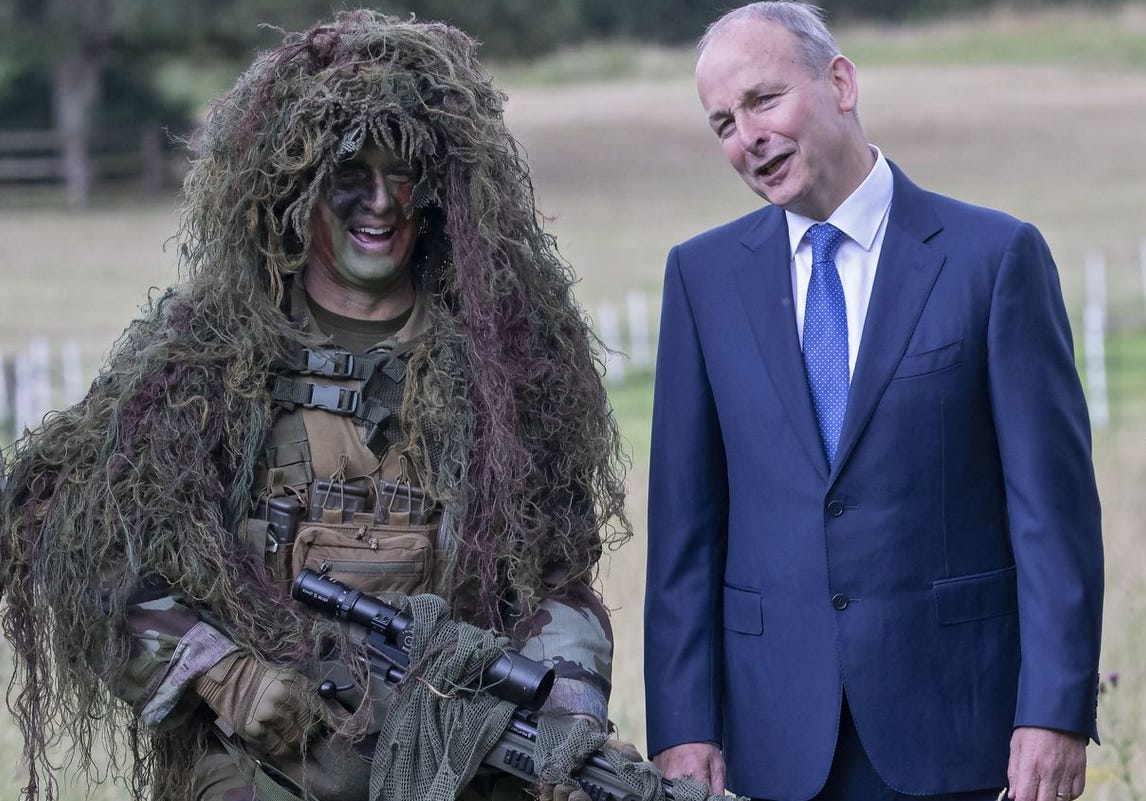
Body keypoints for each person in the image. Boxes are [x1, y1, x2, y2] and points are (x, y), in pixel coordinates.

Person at [0, 11, 630, 801]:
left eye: (402, 172)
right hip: (262, 770)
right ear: (295, 185)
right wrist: (222, 674)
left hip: (453, 763)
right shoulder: (206, 357)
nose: (381, 202)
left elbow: (556, 578)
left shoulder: (502, 367)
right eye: (350, 172)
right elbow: (67, 530)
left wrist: (569, 720)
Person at [642, 3, 1104, 801]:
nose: (747, 137)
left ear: (841, 83)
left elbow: (1053, 517)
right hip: (775, 743)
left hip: (962, 731)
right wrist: (682, 728)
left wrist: (1055, 711)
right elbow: (684, 531)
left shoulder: (994, 258)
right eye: (723, 123)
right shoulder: (701, 279)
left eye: (763, 100)